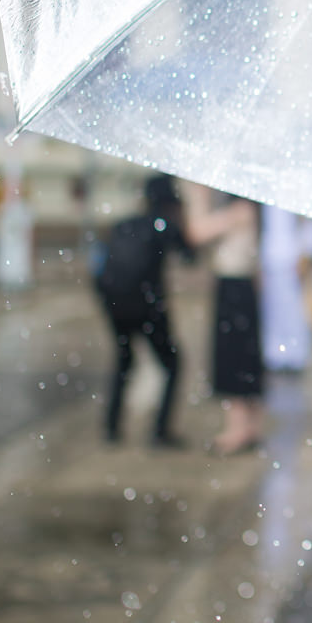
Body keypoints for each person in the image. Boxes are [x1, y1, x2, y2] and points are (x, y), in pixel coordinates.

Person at [94, 173, 192, 448]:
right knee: (172, 364)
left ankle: (111, 428)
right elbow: (190, 255)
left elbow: (101, 265)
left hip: (115, 303)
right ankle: (160, 432)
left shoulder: (123, 224)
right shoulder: (165, 225)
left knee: (124, 360)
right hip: (148, 304)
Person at [186, 188, 264, 455]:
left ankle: (240, 428)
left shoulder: (241, 205)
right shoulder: (243, 206)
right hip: (237, 284)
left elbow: (196, 232)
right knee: (241, 353)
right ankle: (246, 426)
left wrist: (202, 200)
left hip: (237, 285)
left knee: (236, 355)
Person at [261, 203, 312, 372]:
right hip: (271, 256)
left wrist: (307, 251)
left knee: (295, 310)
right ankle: (276, 354)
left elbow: (310, 223)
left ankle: (295, 355)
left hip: (294, 257)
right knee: (274, 309)